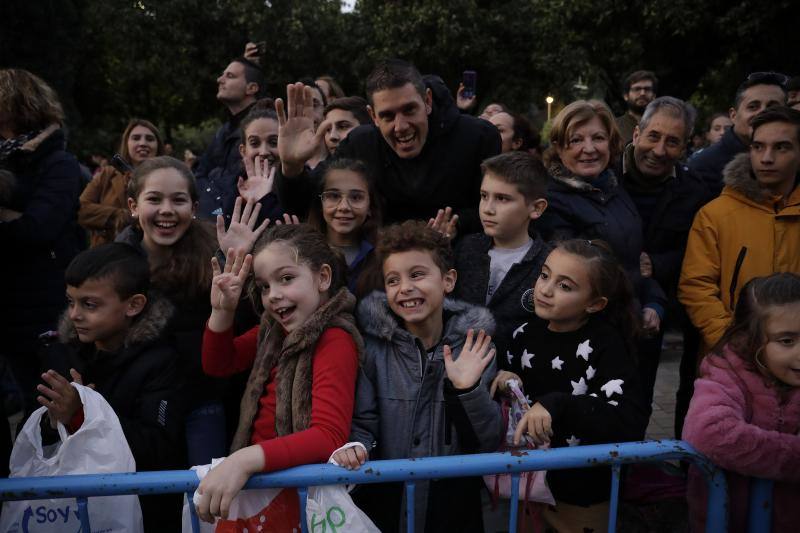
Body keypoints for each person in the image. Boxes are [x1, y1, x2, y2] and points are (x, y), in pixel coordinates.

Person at [334, 220, 503, 533]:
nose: (405, 288)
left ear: (448, 280)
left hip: (453, 504)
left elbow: (487, 441)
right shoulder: (373, 349)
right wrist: (357, 447)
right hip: (388, 496)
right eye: (393, 280)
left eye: (417, 275)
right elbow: (363, 423)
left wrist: (466, 391)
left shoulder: (475, 345)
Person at [197, 224, 362, 526]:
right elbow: (219, 364)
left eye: (286, 279)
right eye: (264, 286)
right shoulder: (271, 331)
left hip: (295, 498)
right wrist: (222, 312)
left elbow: (328, 436)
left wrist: (244, 461)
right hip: (262, 491)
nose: (273, 295)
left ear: (323, 277)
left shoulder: (335, 338)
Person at [494, 240, 648, 533]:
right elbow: (514, 405)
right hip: (527, 487)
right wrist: (505, 382)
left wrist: (558, 404)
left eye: (565, 286)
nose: (546, 289)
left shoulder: (607, 345)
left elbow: (627, 420)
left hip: (582, 496)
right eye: (544, 275)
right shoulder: (522, 334)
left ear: (595, 303)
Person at [118, 156, 260, 466]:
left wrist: (236, 265)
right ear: (133, 205)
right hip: (138, 408)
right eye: (154, 199)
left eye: (178, 200)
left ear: (194, 208)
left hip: (201, 404)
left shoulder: (212, 261)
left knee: (203, 498)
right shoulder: (112, 268)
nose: (167, 210)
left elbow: (242, 327)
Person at [39, 243, 185, 528]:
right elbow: (33, 436)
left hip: (140, 514)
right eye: (71, 302)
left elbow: (159, 447)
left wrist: (85, 414)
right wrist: (53, 418)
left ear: (133, 305)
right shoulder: (64, 353)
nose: (74, 315)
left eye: (89, 304)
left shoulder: (162, 361)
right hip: (71, 513)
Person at [276, 59, 501, 234]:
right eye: (387, 116)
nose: (400, 126)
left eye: (409, 110)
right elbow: (308, 204)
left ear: (428, 101)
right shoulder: (359, 144)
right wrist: (291, 166)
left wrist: (456, 226)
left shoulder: (478, 136)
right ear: (373, 116)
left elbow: (497, 208)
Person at [538, 100, 667, 345]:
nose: (589, 149)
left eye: (598, 138)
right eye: (576, 140)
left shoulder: (614, 187)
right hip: (593, 340)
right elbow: (581, 278)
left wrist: (654, 302)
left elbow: (633, 260)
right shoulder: (551, 202)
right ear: (558, 147)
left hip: (635, 328)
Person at [682, 273, 800, 533]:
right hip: (727, 522)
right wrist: (793, 456)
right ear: (751, 339)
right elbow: (708, 432)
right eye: (787, 341)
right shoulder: (726, 372)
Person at [679, 106, 800, 357]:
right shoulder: (714, 215)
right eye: (758, 146)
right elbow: (696, 286)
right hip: (732, 362)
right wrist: (730, 341)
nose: (766, 158)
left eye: (781, 147)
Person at [0, 68, 83, 415]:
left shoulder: (58, 163)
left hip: (45, 311)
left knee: (49, 414)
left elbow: (39, 228)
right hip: (7, 306)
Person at [617, 96, 709, 408]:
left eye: (672, 142)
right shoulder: (604, 177)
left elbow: (698, 252)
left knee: (639, 398)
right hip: (599, 308)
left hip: (652, 315)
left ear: (685, 147)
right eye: (653, 136)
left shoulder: (694, 191)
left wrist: (657, 264)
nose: (658, 151)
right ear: (636, 135)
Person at [453, 151, 550, 361]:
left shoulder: (549, 264)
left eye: (502, 199)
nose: (488, 209)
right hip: (459, 367)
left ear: (536, 208)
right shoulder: (465, 249)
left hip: (518, 375)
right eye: (484, 196)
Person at [689, 72, 787, 197]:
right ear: (733, 116)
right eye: (753, 107)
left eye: (773, 107)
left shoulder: (795, 161)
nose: (764, 113)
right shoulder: (702, 166)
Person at [195, 57, 265, 221]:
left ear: (252, 88)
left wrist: (214, 178)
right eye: (222, 75)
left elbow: (238, 180)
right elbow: (200, 174)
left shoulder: (264, 129)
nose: (220, 80)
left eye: (230, 76)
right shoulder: (223, 131)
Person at [78, 119, 165, 246]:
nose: (143, 143)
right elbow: (80, 209)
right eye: (136, 138)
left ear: (158, 146)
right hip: (107, 256)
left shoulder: (169, 179)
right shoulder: (107, 175)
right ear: (127, 143)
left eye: (150, 139)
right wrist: (119, 216)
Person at [305, 158, 383, 298]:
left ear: (370, 206)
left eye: (356, 197)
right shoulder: (303, 251)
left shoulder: (384, 253)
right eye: (334, 196)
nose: (344, 207)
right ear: (320, 203)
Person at [235, 98, 284, 223]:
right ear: (243, 150)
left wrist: (264, 199)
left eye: (273, 142)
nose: (264, 152)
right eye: (254, 143)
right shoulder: (229, 188)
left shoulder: (302, 187)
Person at [615, 70, 658, 145]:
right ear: (626, 96)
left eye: (647, 89)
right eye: (637, 89)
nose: (642, 93)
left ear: (654, 96)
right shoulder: (614, 127)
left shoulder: (664, 126)